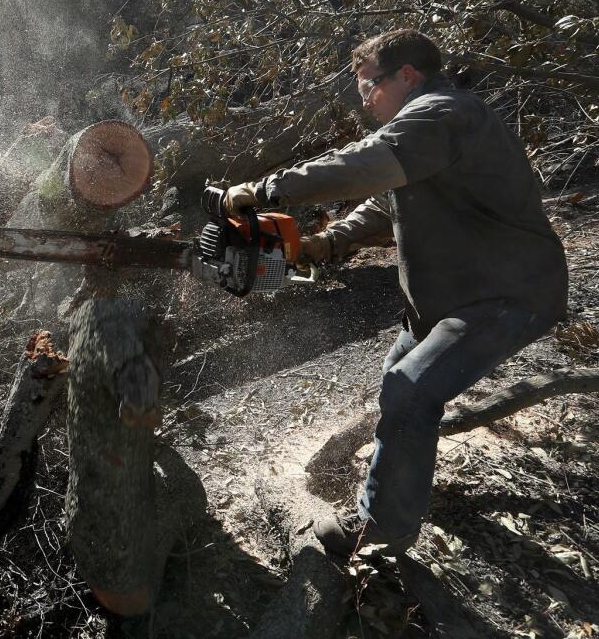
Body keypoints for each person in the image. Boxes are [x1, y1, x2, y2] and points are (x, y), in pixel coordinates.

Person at [220, 29, 568, 557]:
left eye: (368, 86)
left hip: (508, 293)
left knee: (410, 388)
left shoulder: (443, 112)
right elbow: (385, 203)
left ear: (406, 74)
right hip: (447, 298)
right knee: (398, 385)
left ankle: (382, 527)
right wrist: (326, 242)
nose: (364, 99)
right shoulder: (422, 134)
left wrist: (267, 189)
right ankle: (394, 490)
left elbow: (366, 165)